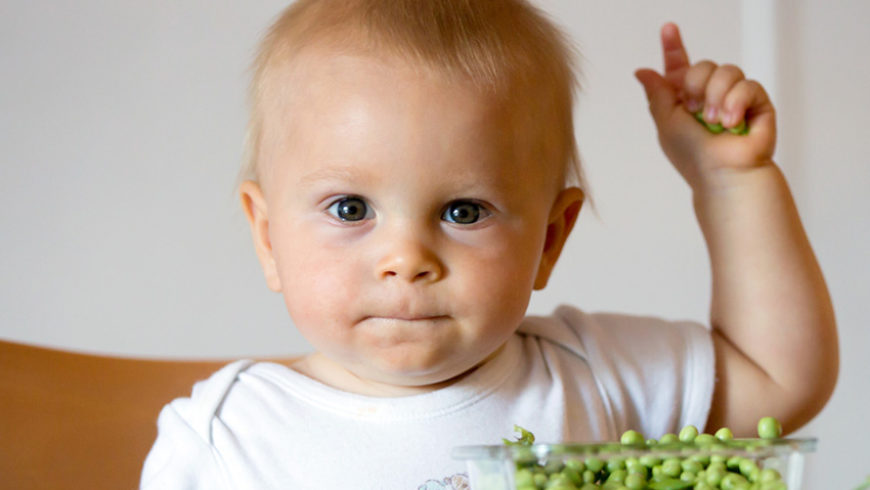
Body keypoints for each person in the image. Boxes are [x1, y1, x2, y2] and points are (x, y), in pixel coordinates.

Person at [140, 1, 839, 488]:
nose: (406, 258)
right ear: (268, 236)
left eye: (463, 210)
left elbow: (782, 380)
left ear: (548, 240)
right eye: (351, 208)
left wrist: (732, 184)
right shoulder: (225, 440)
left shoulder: (589, 373)